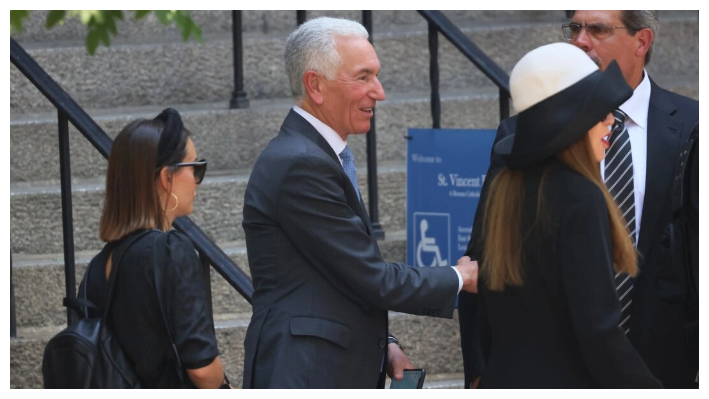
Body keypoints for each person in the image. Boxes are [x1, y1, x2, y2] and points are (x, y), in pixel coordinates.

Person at [459, 10, 699, 389]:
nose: (581, 40)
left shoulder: (693, 124)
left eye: (599, 29)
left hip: (661, 359)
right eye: (574, 28)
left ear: (643, 41)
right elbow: (482, 258)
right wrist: (475, 368)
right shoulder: (536, 164)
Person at [241, 17, 478, 389]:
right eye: (363, 77)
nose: (379, 92)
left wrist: (384, 343)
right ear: (315, 85)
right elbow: (370, 277)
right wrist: (459, 277)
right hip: (305, 374)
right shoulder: (301, 163)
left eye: (376, 76)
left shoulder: (313, 154)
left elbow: (333, 278)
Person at [81, 108, 230, 388]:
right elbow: (202, 369)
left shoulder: (98, 268)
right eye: (195, 167)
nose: (198, 179)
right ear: (166, 178)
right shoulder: (172, 251)